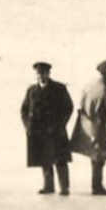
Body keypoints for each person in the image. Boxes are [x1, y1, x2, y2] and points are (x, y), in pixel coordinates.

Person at [21, 61, 73, 195]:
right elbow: (24, 110)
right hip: (39, 131)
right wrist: (28, 126)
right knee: (44, 159)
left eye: (43, 73)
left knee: (60, 160)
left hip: (56, 130)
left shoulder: (59, 89)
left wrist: (61, 124)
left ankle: (64, 188)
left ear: (48, 74)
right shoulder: (32, 90)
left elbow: (68, 107)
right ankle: (48, 186)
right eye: (38, 74)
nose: (41, 76)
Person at [70, 59, 106, 195]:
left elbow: (81, 105)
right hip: (100, 126)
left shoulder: (90, 85)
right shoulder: (105, 90)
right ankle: (97, 187)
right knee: (99, 158)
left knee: (95, 157)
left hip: (88, 124)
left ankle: (96, 185)